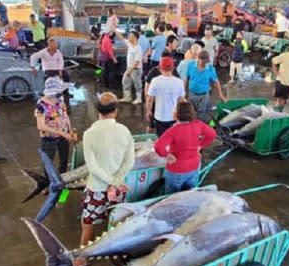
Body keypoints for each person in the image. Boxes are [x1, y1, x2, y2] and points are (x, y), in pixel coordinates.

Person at [78, 92, 134, 250]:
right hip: (119, 188)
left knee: (88, 224)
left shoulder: (89, 134)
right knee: (116, 224)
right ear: (116, 110)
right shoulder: (124, 131)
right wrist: (116, 182)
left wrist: (110, 182)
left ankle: (82, 258)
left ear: (98, 110)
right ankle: (113, 252)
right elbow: (129, 161)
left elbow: (93, 168)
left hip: (97, 188)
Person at [154, 102, 216, 194]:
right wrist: (200, 146)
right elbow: (212, 134)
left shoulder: (173, 131)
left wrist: (167, 155)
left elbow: (158, 146)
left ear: (176, 115)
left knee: (172, 197)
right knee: (190, 194)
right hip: (194, 167)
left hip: (177, 169)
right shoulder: (198, 124)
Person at [35, 77, 75, 173]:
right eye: (59, 93)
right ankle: (49, 183)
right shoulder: (41, 105)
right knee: (48, 162)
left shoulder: (60, 100)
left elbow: (65, 116)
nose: (61, 95)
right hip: (49, 138)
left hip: (63, 136)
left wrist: (70, 131)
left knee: (64, 161)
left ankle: (63, 180)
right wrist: (61, 133)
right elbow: (41, 126)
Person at [146, 57, 185, 136]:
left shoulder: (155, 81)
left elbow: (150, 99)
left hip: (160, 116)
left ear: (160, 69)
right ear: (173, 68)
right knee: (173, 138)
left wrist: (148, 111)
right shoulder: (179, 82)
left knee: (161, 138)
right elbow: (181, 100)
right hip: (174, 116)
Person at [184, 50, 226, 122]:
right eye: (203, 63)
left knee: (201, 114)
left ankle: (199, 129)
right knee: (189, 113)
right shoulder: (191, 65)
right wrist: (185, 92)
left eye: (206, 63)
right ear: (198, 59)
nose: (205, 65)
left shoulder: (210, 68)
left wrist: (221, 95)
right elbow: (186, 79)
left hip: (204, 96)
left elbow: (216, 82)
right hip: (191, 94)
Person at [119, 31, 144, 104]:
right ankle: (127, 97)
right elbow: (122, 38)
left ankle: (139, 98)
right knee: (125, 81)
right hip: (129, 68)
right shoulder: (130, 44)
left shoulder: (138, 48)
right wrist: (113, 29)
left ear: (135, 38)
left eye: (131, 36)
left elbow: (137, 62)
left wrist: (130, 71)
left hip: (136, 69)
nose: (129, 37)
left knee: (137, 84)